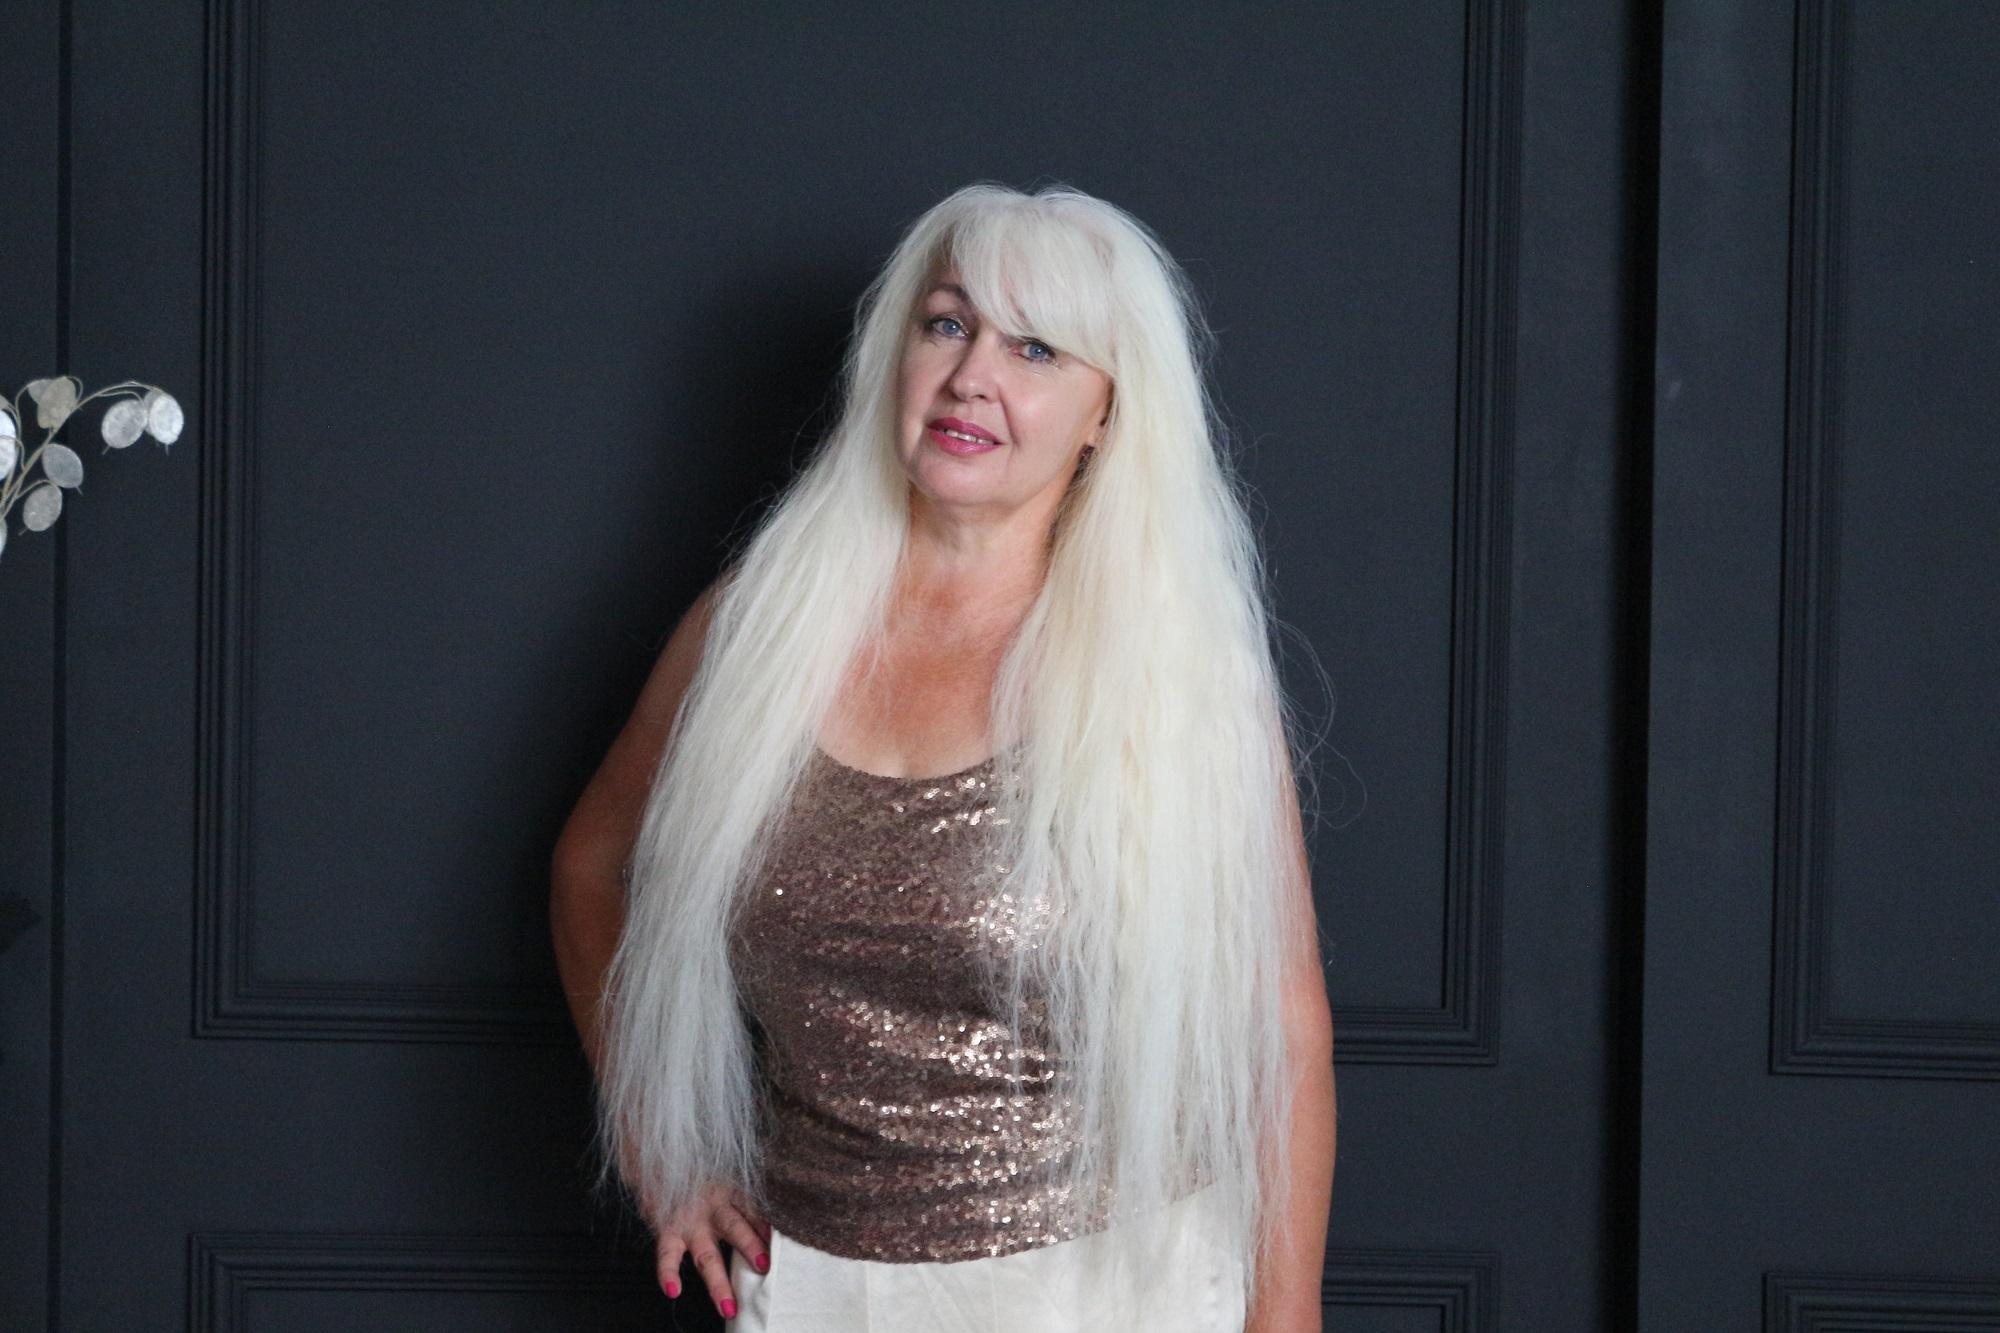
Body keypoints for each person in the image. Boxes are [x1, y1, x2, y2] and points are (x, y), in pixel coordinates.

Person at [550, 181, 1336, 1332]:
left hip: (1110, 1290)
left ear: (1106, 414)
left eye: (1035, 347)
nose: (972, 374)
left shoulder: (1173, 672)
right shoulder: (755, 633)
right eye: (947, 323)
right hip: (812, 1289)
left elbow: (1281, 1027)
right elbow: (590, 867)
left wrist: (1285, 1315)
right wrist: (658, 1147)